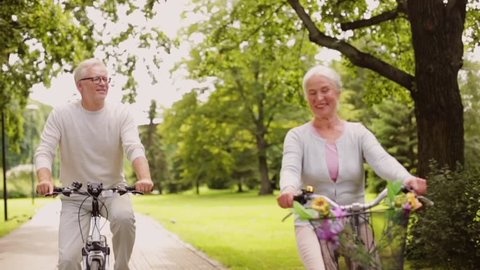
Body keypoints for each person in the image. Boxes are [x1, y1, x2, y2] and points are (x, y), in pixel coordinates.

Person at [276, 65, 427, 270]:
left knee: (371, 267)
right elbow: (290, 169)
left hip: (355, 219)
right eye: (312, 93)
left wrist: (407, 179)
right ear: (307, 98)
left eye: (324, 90)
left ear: (338, 92)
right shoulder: (297, 136)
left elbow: (382, 160)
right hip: (312, 220)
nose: (319, 98)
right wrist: (288, 189)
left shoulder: (358, 133)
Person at [34, 58, 154, 270]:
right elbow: (45, 150)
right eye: (96, 79)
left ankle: (122, 266)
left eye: (106, 79)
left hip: (113, 192)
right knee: (68, 260)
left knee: (124, 218)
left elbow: (134, 147)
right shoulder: (62, 114)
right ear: (80, 85)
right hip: (74, 196)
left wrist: (144, 177)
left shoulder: (121, 113)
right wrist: (45, 180)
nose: (103, 83)